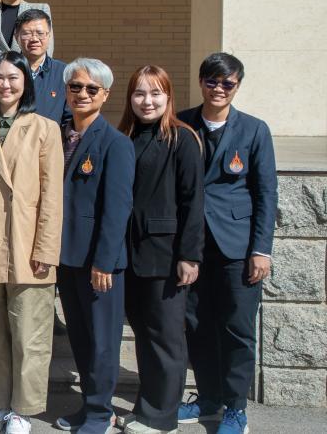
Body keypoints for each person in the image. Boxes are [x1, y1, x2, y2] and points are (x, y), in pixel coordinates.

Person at [177, 53, 277, 434]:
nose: (218, 89)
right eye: (212, 82)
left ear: (237, 86)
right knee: (196, 325)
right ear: (201, 82)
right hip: (192, 246)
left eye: (227, 83)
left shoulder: (254, 130)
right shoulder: (182, 123)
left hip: (237, 248)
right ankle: (207, 399)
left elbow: (266, 193)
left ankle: (236, 409)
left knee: (237, 330)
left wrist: (260, 250)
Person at [0, 51, 63, 434]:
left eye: (13, 77)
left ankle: (23, 409)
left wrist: (46, 249)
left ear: (26, 82)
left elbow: (52, 195)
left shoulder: (44, 128)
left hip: (29, 245)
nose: (5, 84)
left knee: (30, 333)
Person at [115, 65, 204, 434]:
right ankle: (147, 406)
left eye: (155, 93)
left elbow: (192, 201)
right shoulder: (126, 135)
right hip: (129, 255)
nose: (147, 101)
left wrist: (190, 255)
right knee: (145, 334)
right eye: (139, 93)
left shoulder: (182, 139)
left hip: (165, 255)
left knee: (165, 338)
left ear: (168, 97)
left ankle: (161, 417)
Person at [54, 58, 134, 434]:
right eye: (75, 87)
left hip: (100, 263)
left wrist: (104, 261)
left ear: (105, 95)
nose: (82, 94)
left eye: (91, 89)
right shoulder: (58, 135)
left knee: (103, 342)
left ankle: (101, 413)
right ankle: (88, 406)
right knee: (81, 339)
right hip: (67, 257)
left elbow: (117, 209)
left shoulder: (115, 143)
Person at [13, 9, 69, 124]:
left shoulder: (64, 73)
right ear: (16, 36)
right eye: (27, 33)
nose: (34, 39)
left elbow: (70, 118)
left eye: (40, 33)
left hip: (51, 140)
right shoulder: (4, 70)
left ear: (49, 36)